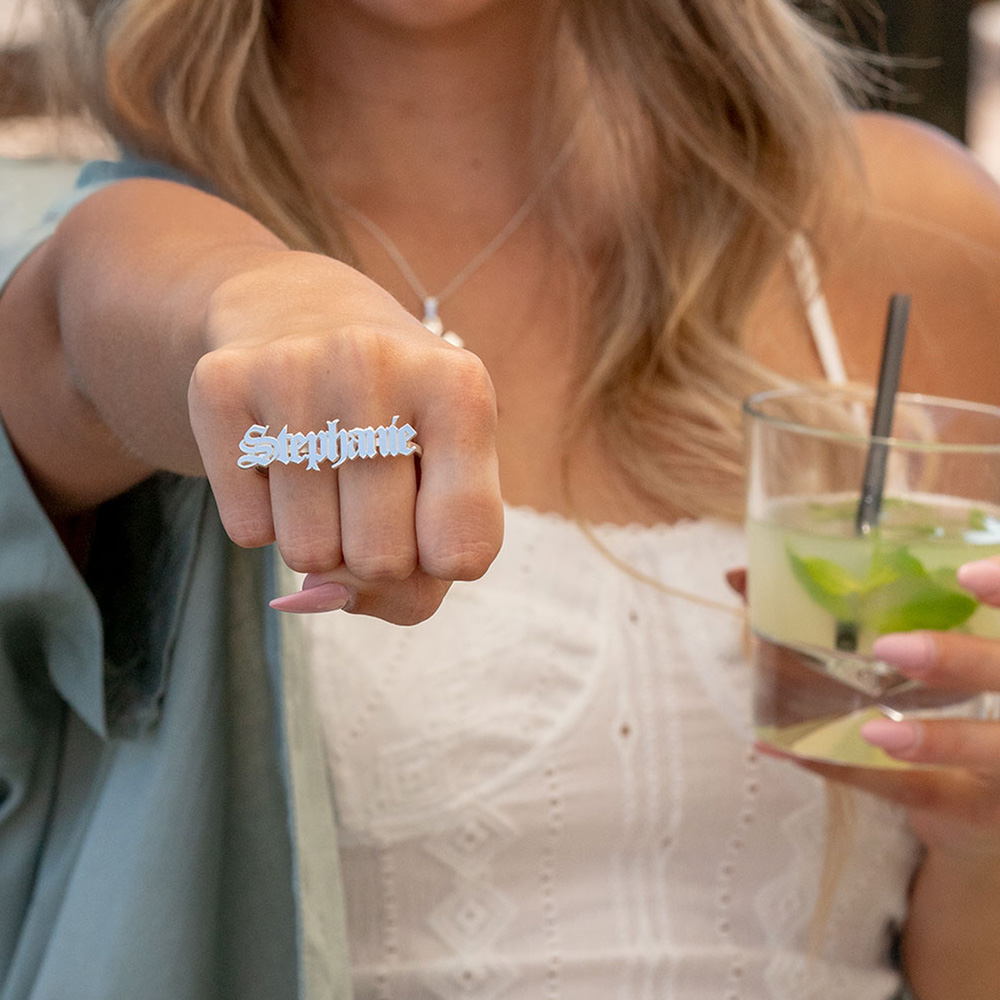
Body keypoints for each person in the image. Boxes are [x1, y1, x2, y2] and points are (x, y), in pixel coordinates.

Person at [2, 1, 1000, 998]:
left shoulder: (910, 229)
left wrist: (977, 844)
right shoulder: (138, 243)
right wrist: (276, 313)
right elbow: (97, 316)